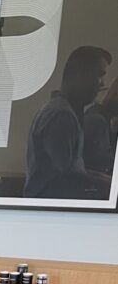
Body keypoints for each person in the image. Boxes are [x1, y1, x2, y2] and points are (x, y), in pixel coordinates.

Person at [25, 45, 113, 198]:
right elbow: (67, 177)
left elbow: (73, 170)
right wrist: (108, 183)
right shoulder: (61, 115)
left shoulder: (64, 111)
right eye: (99, 75)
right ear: (81, 75)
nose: (102, 84)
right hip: (51, 212)